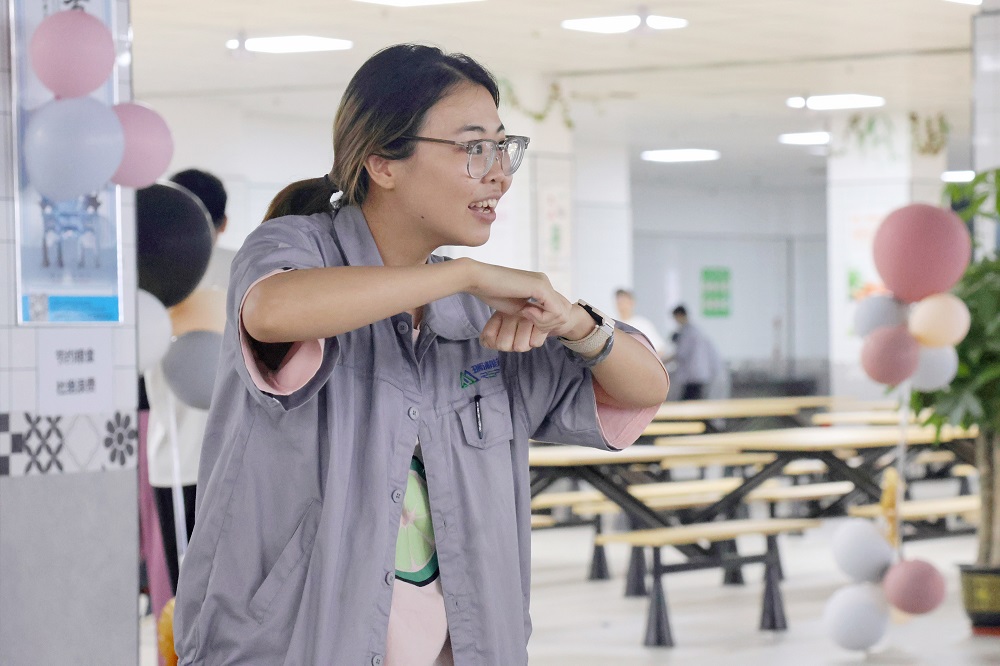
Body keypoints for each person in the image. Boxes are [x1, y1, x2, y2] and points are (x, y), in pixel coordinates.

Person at [172, 44, 668, 665]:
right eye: (473, 148)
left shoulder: (478, 319)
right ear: (383, 162)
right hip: (295, 645)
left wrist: (575, 323)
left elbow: (643, 388)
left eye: (503, 147)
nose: (500, 174)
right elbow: (271, 312)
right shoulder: (295, 250)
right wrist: (461, 275)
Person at [144, 168, 228, 592]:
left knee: (189, 599)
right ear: (223, 223)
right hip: (230, 461)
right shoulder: (241, 266)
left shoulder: (144, 272)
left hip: (176, 463)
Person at [666, 304, 720, 400]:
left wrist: (663, 360)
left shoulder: (688, 332)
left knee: (690, 403)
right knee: (694, 401)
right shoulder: (693, 330)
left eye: (675, 318)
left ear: (680, 315)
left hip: (693, 376)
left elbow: (681, 353)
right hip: (697, 375)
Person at [614, 288, 667, 357]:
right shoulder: (613, 325)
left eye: (624, 301)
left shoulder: (643, 324)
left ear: (632, 303)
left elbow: (659, 349)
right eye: (619, 302)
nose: (622, 305)